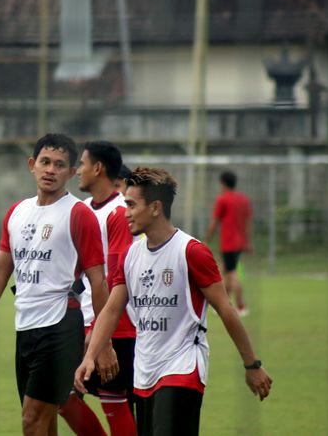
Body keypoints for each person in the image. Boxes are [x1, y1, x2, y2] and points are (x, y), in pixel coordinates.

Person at [74, 167, 272, 436]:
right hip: (144, 372)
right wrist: (89, 357)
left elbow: (226, 310)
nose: (125, 212)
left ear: (156, 207)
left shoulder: (191, 252)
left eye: (131, 205)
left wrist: (252, 366)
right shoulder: (131, 256)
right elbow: (111, 309)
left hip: (183, 368)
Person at [0, 133, 117, 436]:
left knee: (32, 420)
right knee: (45, 420)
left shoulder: (79, 214)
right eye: (45, 162)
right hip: (26, 327)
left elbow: (98, 281)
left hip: (60, 325)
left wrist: (104, 342)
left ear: (71, 173)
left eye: (60, 165)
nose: (50, 170)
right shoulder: (17, 212)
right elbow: (0, 271)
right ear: (32, 165)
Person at [58, 141, 137, 436]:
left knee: (113, 401)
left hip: (114, 325)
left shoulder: (119, 213)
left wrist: (100, 331)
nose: (77, 170)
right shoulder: (82, 210)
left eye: (82, 163)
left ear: (98, 168)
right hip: (82, 321)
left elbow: (118, 275)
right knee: (60, 396)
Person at [205, 170, 252, 316]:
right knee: (224, 272)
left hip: (229, 243)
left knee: (231, 274)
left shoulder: (223, 199)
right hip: (239, 243)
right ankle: (224, 304)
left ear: (223, 183)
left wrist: (207, 239)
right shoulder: (243, 200)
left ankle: (240, 306)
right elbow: (248, 222)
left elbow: (215, 221)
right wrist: (248, 241)